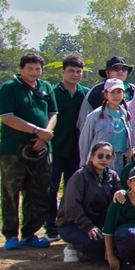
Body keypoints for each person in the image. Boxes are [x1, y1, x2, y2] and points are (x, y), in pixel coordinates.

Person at [0, 51, 56, 250]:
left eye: (37, 68)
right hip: (13, 149)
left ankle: (30, 234)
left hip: (41, 149)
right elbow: (7, 117)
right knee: (11, 191)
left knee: (39, 191)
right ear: (21, 69)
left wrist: (45, 134)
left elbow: (53, 113)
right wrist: (36, 131)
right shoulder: (10, 88)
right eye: (29, 68)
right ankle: (11, 235)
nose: (33, 72)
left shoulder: (45, 87)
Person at [58, 142, 123, 263]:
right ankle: (72, 245)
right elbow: (72, 208)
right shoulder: (80, 176)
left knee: (115, 241)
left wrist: (120, 193)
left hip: (97, 220)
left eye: (108, 157)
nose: (104, 159)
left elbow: (118, 197)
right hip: (72, 224)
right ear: (92, 157)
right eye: (100, 156)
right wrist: (88, 227)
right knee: (96, 243)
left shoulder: (112, 176)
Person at [45, 54, 87, 242]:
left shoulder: (85, 94)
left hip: (76, 150)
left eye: (79, 71)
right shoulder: (52, 93)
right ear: (63, 72)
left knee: (72, 190)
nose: (75, 75)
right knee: (51, 189)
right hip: (55, 148)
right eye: (71, 71)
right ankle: (50, 226)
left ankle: (67, 222)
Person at [78, 78, 134, 175]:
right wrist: (84, 164)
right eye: (112, 92)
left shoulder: (125, 114)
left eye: (119, 92)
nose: (116, 95)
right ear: (106, 94)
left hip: (118, 160)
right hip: (100, 159)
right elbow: (85, 141)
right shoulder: (95, 115)